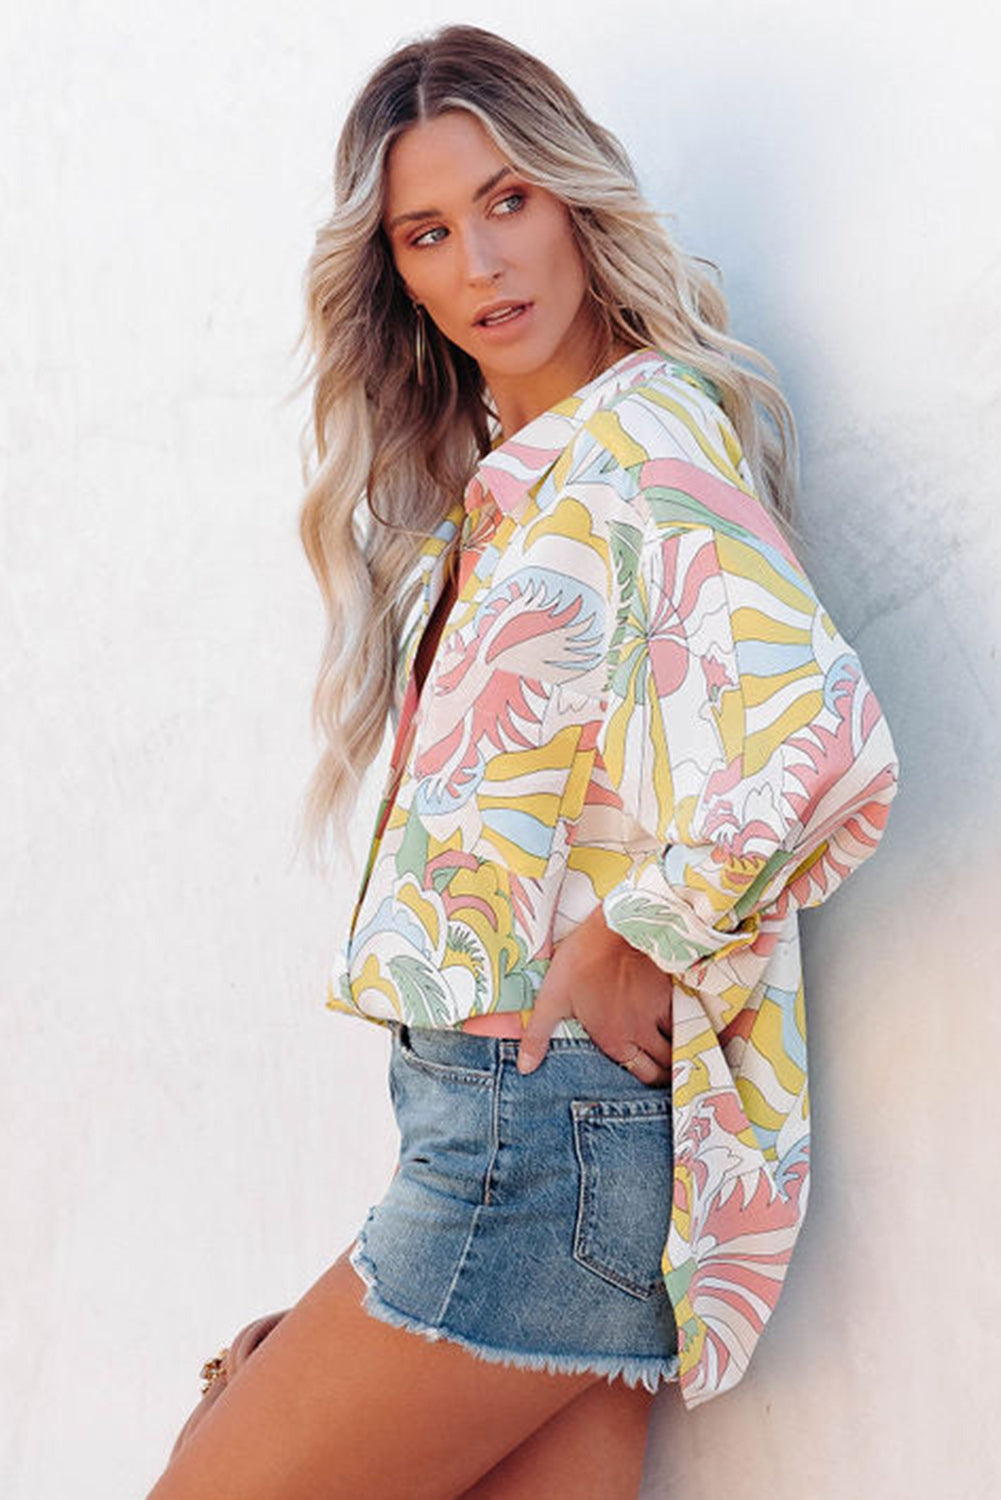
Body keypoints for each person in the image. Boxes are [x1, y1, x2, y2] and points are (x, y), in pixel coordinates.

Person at [148, 23, 900, 1500]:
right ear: (397, 276)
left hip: (534, 1140)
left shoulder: (640, 445)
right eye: (428, 233)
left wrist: (638, 934)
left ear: (573, 200)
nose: (483, 261)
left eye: (508, 200)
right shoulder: (529, 482)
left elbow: (821, 729)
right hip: (550, 1142)